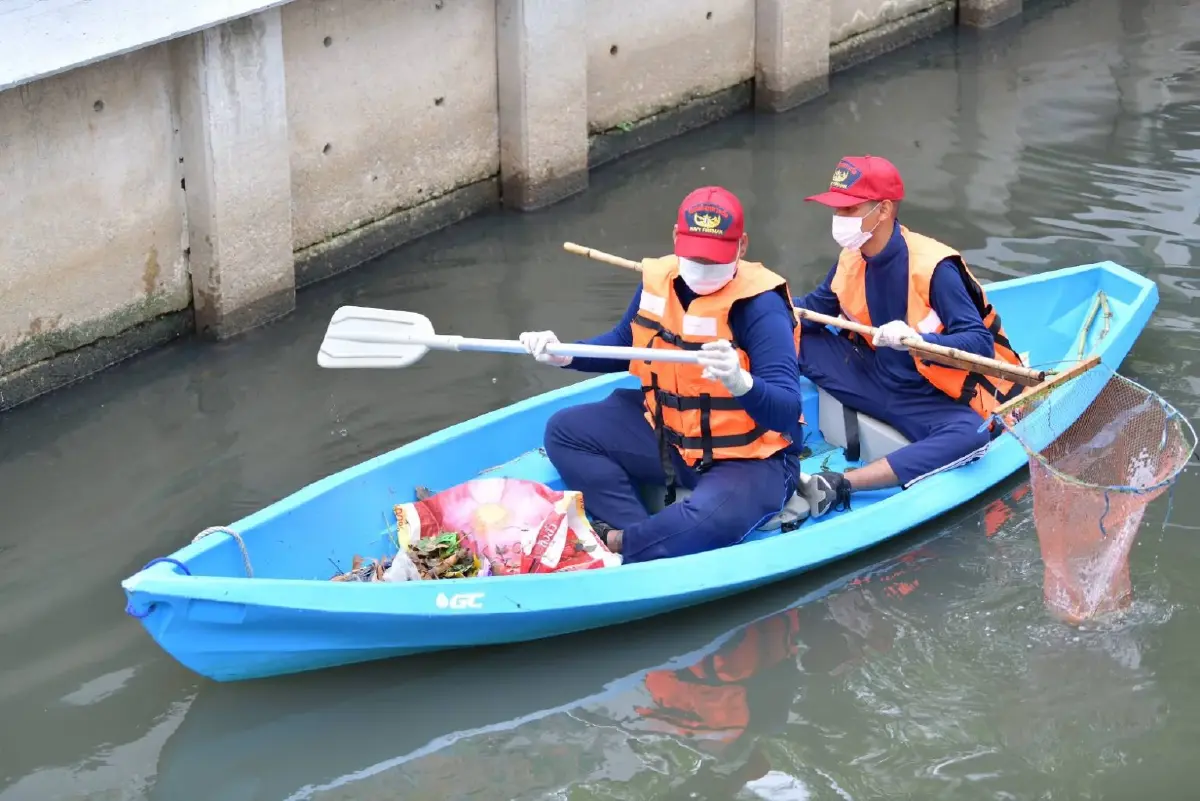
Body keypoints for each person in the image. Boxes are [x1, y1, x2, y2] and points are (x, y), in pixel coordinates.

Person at [517, 186, 806, 564]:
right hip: (670, 436)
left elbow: (786, 409)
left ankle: (621, 543)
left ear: (742, 246)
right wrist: (564, 354)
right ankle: (641, 534)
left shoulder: (760, 306)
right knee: (565, 431)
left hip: (747, 459)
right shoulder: (660, 280)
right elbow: (624, 342)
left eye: (714, 257)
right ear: (675, 238)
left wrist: (741, 382)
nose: (702, 266)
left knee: (708, 518)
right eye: (694, 254)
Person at [795, 155, 1027, 516]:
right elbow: (812, 312)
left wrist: (920, 342)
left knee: (973, 435)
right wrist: (760, 315)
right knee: (789, 336)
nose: (839, 221)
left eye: (849, 209)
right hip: (873, 376)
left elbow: (978, 343)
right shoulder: (852, 255)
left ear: (884, 209)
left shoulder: (935, 268)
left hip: (927, 396)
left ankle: (841, 483)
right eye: (837, 211)